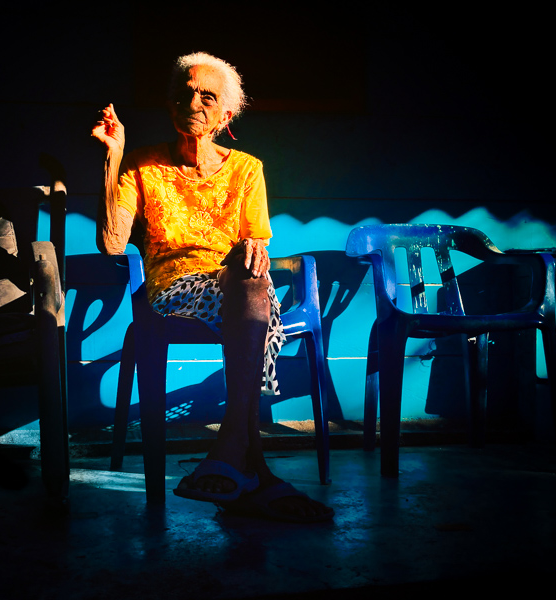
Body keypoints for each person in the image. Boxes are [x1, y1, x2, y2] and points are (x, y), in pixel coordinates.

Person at [92, 52, 333, 522]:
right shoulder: (142, 166)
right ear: (169, 106)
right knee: (253, 292)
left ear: (226, 116)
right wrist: (111, 157)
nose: (194, 103)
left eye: (207, 96)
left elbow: (255, 240)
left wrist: (254, 251)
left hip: (236, 287)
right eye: (184, 94)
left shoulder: (247, 169)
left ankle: (239, 464)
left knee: (249, 278)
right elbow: (110, 243)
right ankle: (250, 464)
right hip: (173, 289)